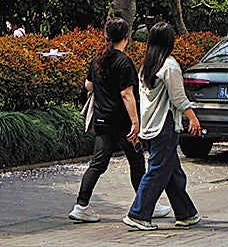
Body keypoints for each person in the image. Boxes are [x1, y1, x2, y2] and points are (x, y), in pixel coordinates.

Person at [128, 21, 203, 230]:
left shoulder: (146, 66)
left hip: (149, 124)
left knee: (172, 172)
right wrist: (193, 118)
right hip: (164, 125)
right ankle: (139, 214)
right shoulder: (169, 66)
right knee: (158, 171)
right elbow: (178, 98)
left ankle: (186, 213)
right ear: (170, 42)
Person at [73, 19, 144, 222]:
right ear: (126, 37)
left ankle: (81, 205)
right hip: (122, 122)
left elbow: (88, 85)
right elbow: (127, 95)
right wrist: (135, 123)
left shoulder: (98, 59)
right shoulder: (124, 62)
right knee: (137, 161)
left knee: (98, 164)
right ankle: (144, 203)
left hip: (102, 120)